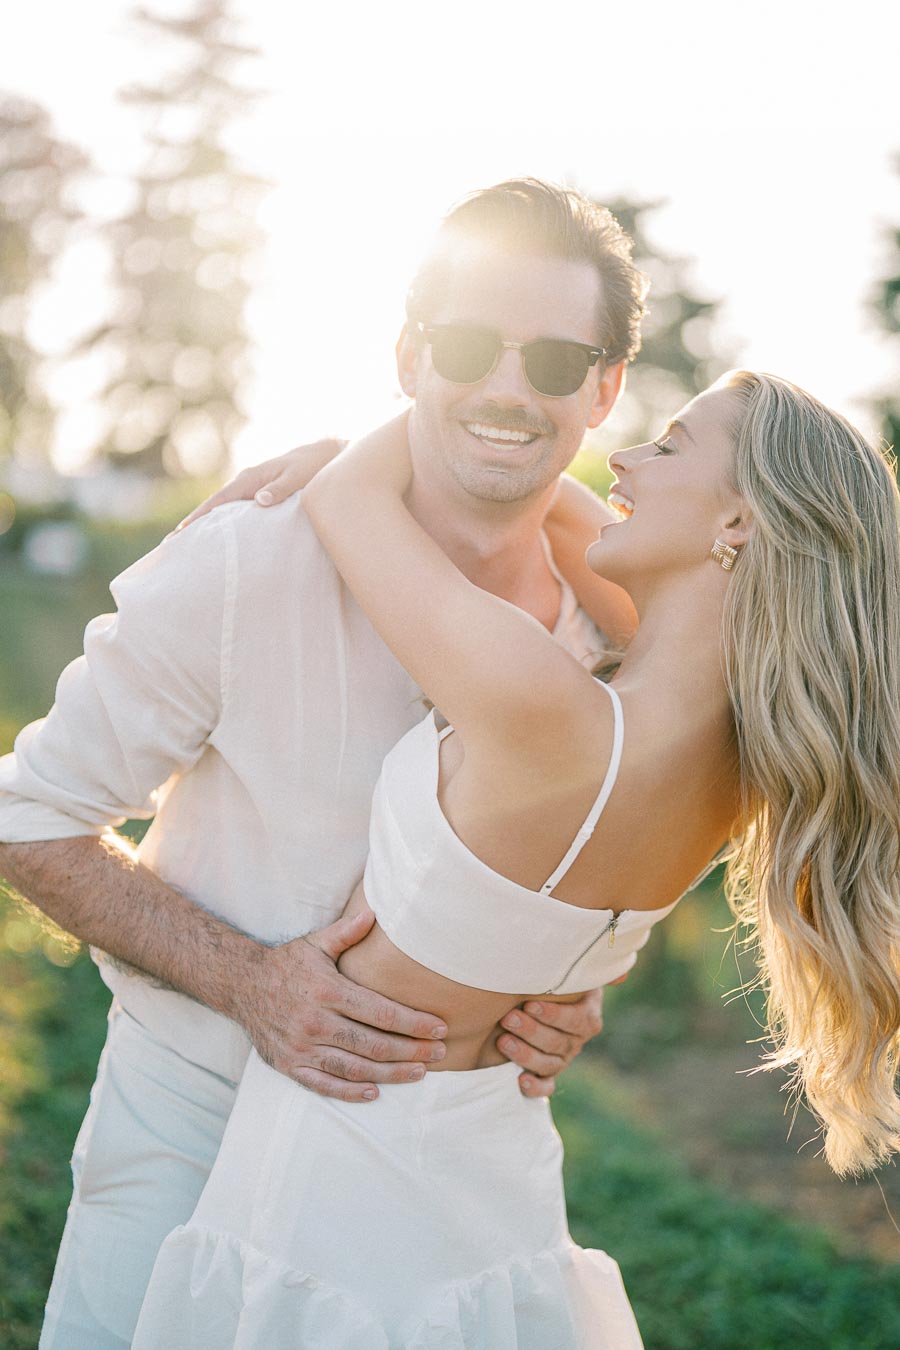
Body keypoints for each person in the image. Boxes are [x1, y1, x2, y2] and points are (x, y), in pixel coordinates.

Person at [0, 179, 648, 1348]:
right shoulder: (247, 562)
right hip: (190, 1137)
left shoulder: (611, 631)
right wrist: (254, 982)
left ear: (604, 390)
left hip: (442, 1182)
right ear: (410, 356)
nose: (508, 388)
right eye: (467, 345)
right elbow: (30, 818)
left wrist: (569, 986)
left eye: (557, 361)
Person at [131, 370, 900, 1347]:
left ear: (740, 524)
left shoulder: (549, 708)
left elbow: (349, 502)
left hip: (344, 1168)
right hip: (491, 1157)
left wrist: (429, 411)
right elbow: (563, 519)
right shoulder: (740, 764)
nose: (621, 458)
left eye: (666, 445)